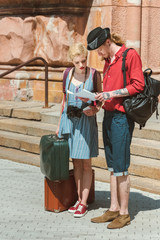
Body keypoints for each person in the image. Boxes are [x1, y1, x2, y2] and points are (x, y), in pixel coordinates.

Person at [87, 27, 144, 228]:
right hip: (108, 116)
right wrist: (96, 105)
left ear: (107, 42)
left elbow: (139, 85)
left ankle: (125, 213)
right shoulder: (108, 63)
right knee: (112, 166)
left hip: (122, 118)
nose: (98, 54)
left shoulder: (130, 55)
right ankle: (113, 208)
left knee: (121, 167)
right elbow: (108, 93)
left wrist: (112, 94)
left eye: (99, 50)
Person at [56, 42, 102, 218]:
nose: (81, 65)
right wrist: (59, 124)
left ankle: (83, 203)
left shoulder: (94, 74)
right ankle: (79, 199)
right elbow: (64, 99)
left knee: (86, 163)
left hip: (86, 121)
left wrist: (95, 109)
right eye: (77, 62)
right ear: (72, 62)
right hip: (69, 120)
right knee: (75, 162)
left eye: (83, 61)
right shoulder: (66, 73)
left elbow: (101, 98)